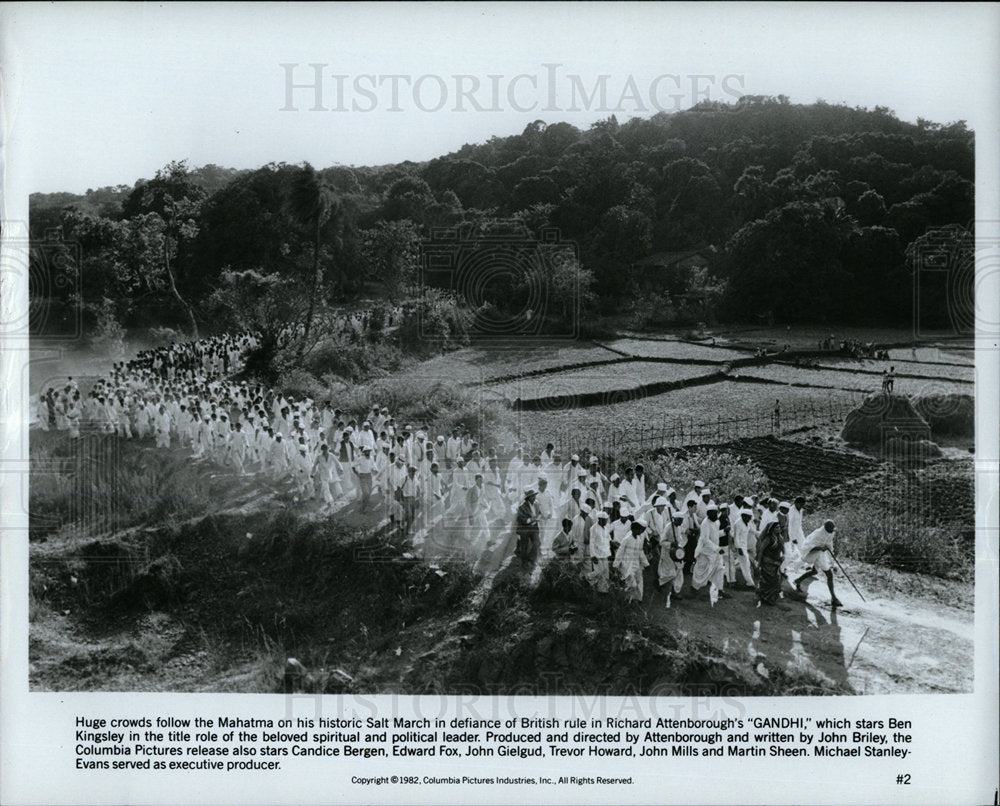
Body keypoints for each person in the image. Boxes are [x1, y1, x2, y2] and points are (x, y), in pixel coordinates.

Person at [793, 520, 843, 607]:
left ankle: (798, 580)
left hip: (821, 554)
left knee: (814, 572)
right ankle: (834, 598)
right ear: (825, 528)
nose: (831, 531)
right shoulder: (817, 534)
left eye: (832, 530)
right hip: (815, 554)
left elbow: (829, 543)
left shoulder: (831, 532)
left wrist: (832, 555)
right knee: (829, 575)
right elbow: (807, 547)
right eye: (830, 530)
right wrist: (820, 548)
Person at [690, 502, 725, 607]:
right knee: (701, 571)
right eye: (713, 513)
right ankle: (694, 588)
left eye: (716, 513)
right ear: (709, 514)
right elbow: (705, 540)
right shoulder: (705, 523)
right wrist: (717, 548)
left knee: (719, 569)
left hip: (714, 552)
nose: (715, 515)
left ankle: (720, 589)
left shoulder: (715, 522)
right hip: (705, 551)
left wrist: (724, 532)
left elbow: (715, 534)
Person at [614, 519, 650, 602]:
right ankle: (625, 599)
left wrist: (646, 564)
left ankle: (636, 600)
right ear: (635, 529)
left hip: (636, 564)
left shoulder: (638, 538)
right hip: (627, 564)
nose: (641, 532)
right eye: (640, 530)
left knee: (639, 581)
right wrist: (616, 565)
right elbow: (620, 552)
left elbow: (640, 552)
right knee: (632, 584)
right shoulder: (627, 539)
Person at [755, 520, 785, 606]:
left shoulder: (780, 538)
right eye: (776, 528)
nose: (778, 529)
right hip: (767, 562)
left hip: (776, 562)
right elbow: (761, 551)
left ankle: (770, 598)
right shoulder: (768, 539)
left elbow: (783, 549)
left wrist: (783, 555)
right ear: (772, 529)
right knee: (769, 580)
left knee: (776, 580)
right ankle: (765, 596)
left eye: (779, 527)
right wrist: (759, 563)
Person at [586, 511, 612, 592]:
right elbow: (592, 543)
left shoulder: (607, 527)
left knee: (605, 572)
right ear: (599, 519)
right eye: (604, 520)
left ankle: (603, 590)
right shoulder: (593, 528)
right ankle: (588, 577)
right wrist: (593, 555)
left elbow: (608, 538)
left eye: (606, 520)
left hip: (605, 553)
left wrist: (610, 548)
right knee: (599, 571)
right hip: (597, 554)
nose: (606, 521)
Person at [515, 487, 540, 564]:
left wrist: (538, 518)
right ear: (528, 498)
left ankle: (532, 559)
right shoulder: (522, 507)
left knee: (536, 543)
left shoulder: (536, 504)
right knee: (524, 546)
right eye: (532, 496)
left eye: (534, 495)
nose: (534, 497)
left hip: (534, 527)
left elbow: (539, 513)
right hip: (524, 529)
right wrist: (529, 520)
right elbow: (519, 519)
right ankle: (524, 561)